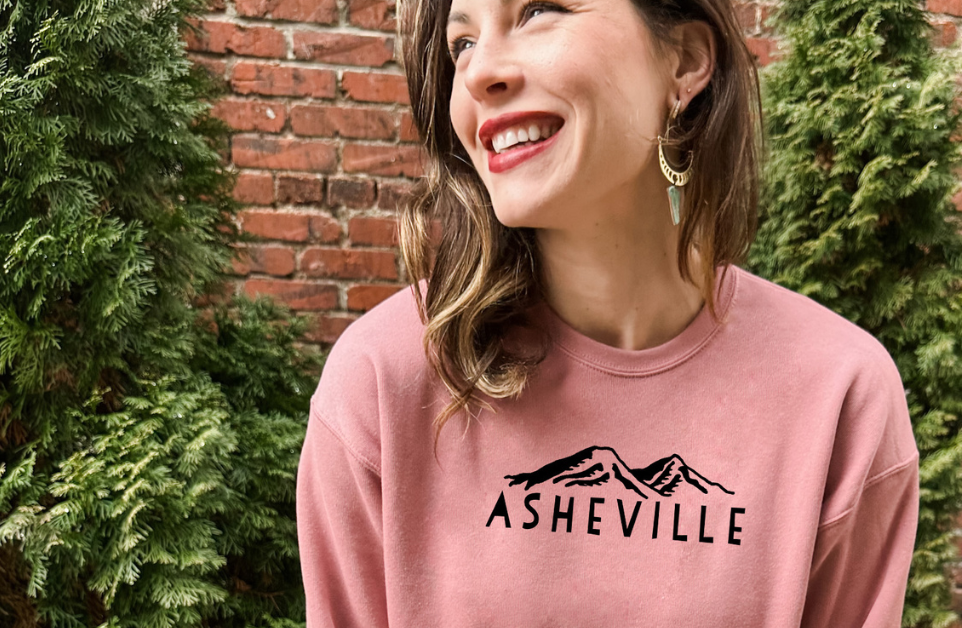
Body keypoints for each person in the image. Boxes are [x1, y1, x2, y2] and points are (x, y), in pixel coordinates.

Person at [295, 0, 921, 624]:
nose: (479, 71)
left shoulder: (837, 395)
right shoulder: (386, 381)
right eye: (463, 44)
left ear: (685, 61)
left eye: (538, 11)